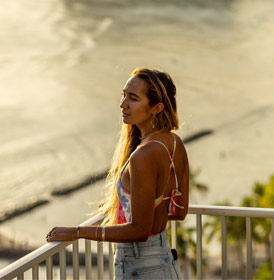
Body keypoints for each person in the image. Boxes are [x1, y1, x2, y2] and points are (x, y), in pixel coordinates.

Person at [46, 68, 190, 279]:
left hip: (139, 266)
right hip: (163, 259)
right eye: (124, 95)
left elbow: (139, 231)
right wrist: (152, 207)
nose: (123, 104)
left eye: (133, 98)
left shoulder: (143, 156)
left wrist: (77, 232)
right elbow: (180, 212)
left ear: (157, 108)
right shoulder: (175, 144)